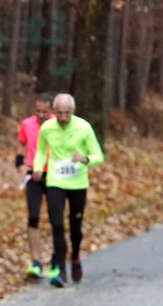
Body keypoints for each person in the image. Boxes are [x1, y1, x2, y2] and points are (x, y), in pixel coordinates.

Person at [32, 93, 103, 287]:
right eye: (60, 113)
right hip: (56, 181)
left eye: (67, 113)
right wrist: (38, 167)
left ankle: (76, 257)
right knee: (56, 224)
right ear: (54, 111)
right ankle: (61, 270)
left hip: (78, 183)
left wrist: (85, 159)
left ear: (73, 111)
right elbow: (40, 152)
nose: (63, 117)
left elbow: (98, 155)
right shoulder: (47, 128)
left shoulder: (83, 127)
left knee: (75, 225)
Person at [16, 93, 53, 278]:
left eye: (45, 112)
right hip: (33, 175)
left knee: (56, 220)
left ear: (51, 111)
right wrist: (20, 165)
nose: (41, 115)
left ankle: (56, 259)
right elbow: (22, 145)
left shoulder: (57, 123)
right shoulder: (27, 124)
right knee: (33, 217)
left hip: (54, 175)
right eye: (38, 111)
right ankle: (36, 261)